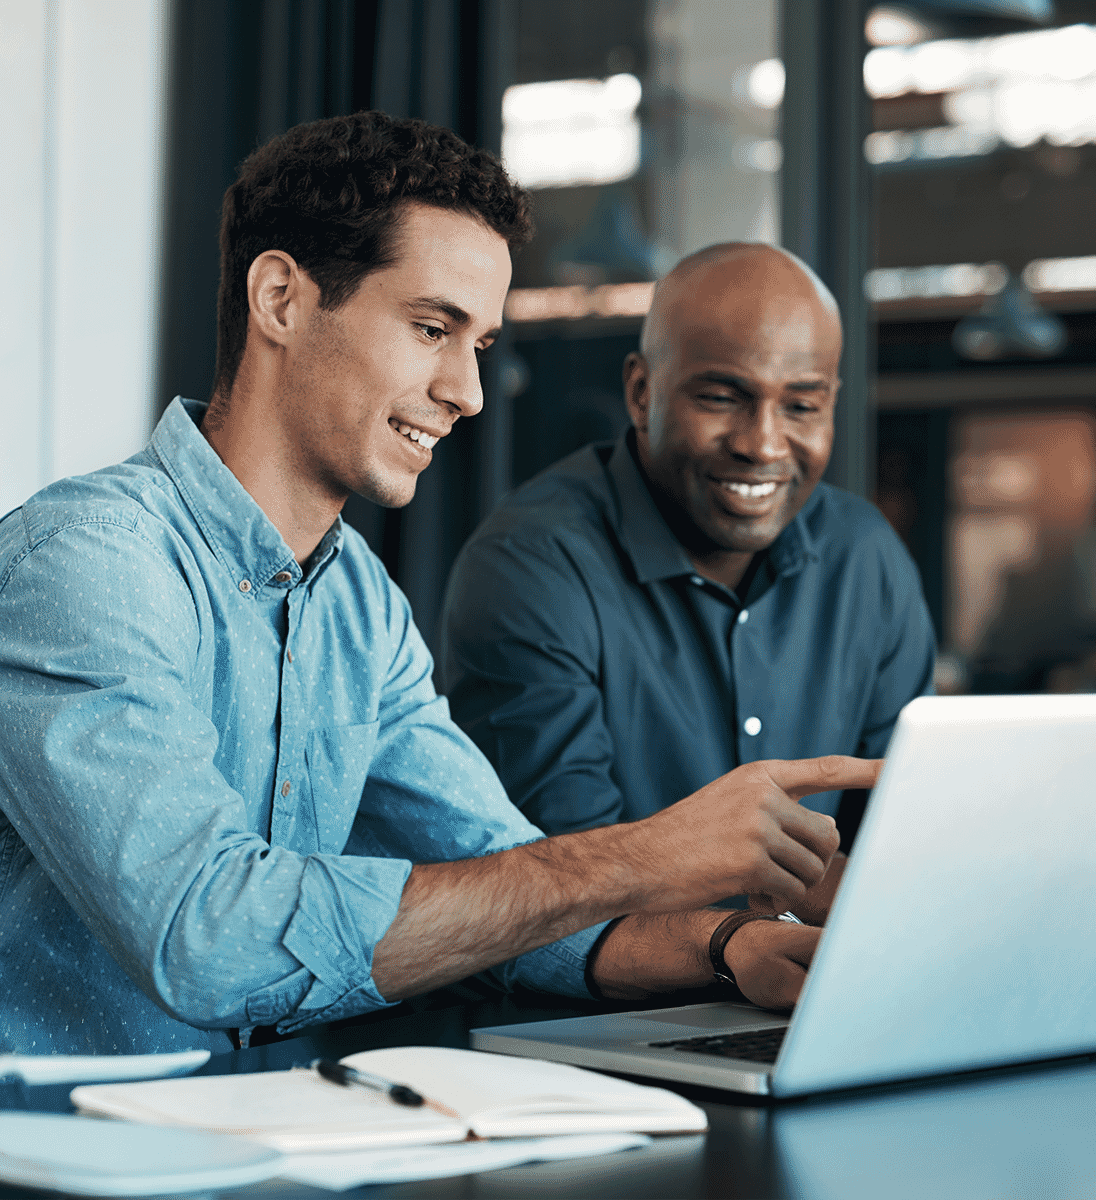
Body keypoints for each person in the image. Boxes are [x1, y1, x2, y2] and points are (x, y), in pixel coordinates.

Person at [0, 113, 879, 1056]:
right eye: (431, 328)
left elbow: (501, 886)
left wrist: (730, 943)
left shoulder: (359, 607)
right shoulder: (88, 564)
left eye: (480, 345)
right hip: (65, 1159)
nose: (468, 391)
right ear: (282, 299)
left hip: (277, 1142)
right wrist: (648, 856)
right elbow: (211, 938)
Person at [440, 243, 935, 872]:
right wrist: (744, 944)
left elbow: (906, 833)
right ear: (644, 393)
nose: (762, 444)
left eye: (802, 406)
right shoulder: (530, 566)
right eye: (723, 398)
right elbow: (560, 879)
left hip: (820, 967)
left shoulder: (863, 556)